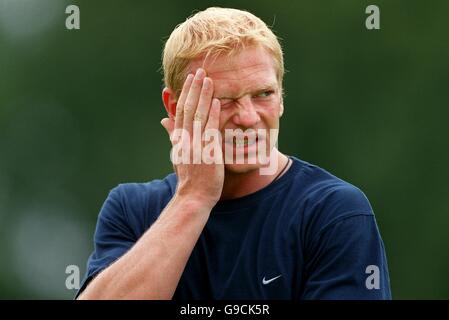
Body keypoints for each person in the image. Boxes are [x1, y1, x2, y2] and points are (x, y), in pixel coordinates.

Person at [76, 7, 391, 300]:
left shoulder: (333, 212)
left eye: (263, 94)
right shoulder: (132, 210)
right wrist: (193, 199)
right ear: (175, 107)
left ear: (281, 97)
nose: (248, 117)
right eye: (223, 99)